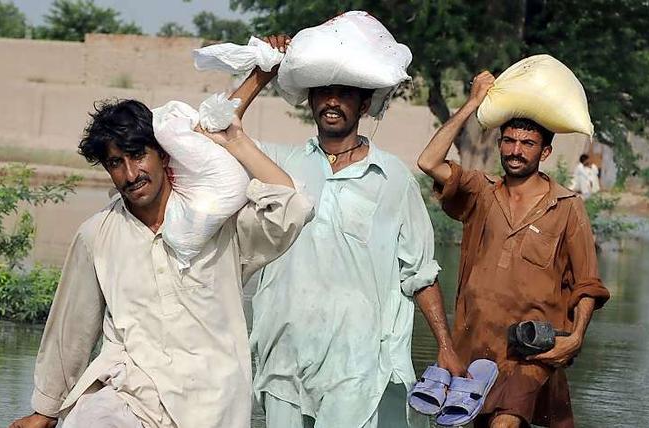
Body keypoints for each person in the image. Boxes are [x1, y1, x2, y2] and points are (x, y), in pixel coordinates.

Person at [8, 40, 313, 428]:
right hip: (128, 396)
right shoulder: (97, 236)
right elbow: (72, 328)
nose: (130, 174)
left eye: (138, 156)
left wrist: (236, 138)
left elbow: (292, 208)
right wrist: (45, 410)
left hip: (211, 405)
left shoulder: (220, 227)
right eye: (115, 163)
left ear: (163, 153)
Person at [231, 38, 456, 428]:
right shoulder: (282, 166)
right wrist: (263, 72)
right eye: (323, 93)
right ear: (311, 101)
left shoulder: (393, 178)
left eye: (344, 94)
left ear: (364, 105)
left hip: (358, 364)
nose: (332, 102)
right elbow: (214, 131)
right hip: (285, 356)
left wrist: (446, 346)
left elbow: (419, 272)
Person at [417, 71, 610, 428]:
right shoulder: (481, 191)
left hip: (531, 349)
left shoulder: (567, 206)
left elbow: (587, 283)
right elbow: (429, 162)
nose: (515, 151)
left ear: (546, 151)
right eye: (509, 141)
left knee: (505, 423)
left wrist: (577, 337)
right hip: (475, 346)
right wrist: (473, 104)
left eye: (527, 143)